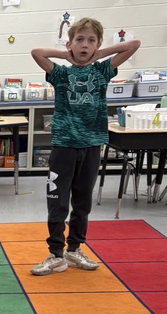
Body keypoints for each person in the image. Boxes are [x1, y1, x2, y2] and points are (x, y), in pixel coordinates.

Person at [30, 20, 141, 275]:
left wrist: (99, 54)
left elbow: (134, 44)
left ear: (98, 45)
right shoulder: (60, 73)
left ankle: (74, 249)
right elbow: (37, 53)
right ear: (70, 43)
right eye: (79, 39)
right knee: (57, 201)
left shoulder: (102, 71)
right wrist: (66, 54)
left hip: (91, 145)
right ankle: (56, 254)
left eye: (91, 41)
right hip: (64, 146)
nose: (85, 45)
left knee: (83, 202)